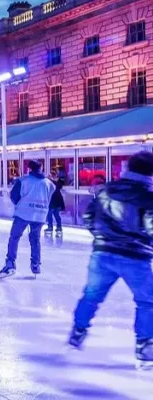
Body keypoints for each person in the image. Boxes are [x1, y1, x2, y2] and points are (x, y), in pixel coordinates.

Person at [67, 151, 153, 369]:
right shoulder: (147, 198)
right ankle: (144, 346)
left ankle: (78, 330)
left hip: (102, 254)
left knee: (92, 295)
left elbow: (88, 218)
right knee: (146, 301)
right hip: (136, 258)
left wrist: (102, 238)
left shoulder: (106, 191)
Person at [0, 160, 55, 278]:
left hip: (23, 213)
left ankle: (10, 264)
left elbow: (14, 196)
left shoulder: (23, 180)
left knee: (14, 237)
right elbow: (49, 198)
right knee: (35, 239)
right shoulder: (49, 183)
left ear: (29, 168)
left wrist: (20, 204)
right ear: (41, 167)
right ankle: (35, 264)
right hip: (40, 215)